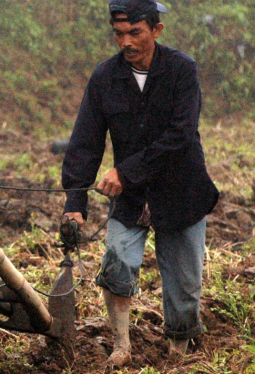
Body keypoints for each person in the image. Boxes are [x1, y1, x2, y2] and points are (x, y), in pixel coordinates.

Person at [61, 0, 219, 368]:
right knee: (116, 264)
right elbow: (86, 140)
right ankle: (122, 346)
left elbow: (181, 135)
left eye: (135, 32)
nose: (126, 42)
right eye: (119, 34)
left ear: (156, 30)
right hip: (131, 197)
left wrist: (126, 171)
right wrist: (75, 200)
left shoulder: (182, 70)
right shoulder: (104, 78)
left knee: (184, 287)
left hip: (182, 191)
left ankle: (177, 355)